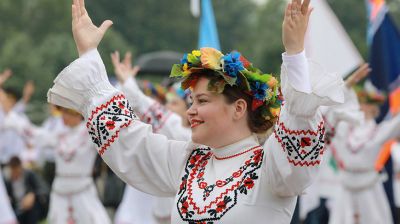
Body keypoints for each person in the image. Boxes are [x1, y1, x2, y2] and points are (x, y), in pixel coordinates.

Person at [47, 0, 346, 222]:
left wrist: (294, 55)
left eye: (202, 101)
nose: (191, 111)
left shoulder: (270, 166)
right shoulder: (189, 161)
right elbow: (132, 144)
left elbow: (298, 131)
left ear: (238, 108)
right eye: (191, 101)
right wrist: (89, 56)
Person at [328, 79, 400, 224]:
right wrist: (346, 87)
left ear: (374, 107)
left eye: (368, 104)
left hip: (369, 187)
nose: (364, 107)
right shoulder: (345, 129)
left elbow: (396, 124)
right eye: (363, 103)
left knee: (373, 218)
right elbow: (331, 118)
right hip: (346, 185)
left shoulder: (379, 131)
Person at [4, 156, 47, 224]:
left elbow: (44, 188)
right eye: (13, 171)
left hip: (30, 209)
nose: (15, 174)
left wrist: (33, 195)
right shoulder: (7, 180)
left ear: (20, 167)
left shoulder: (29, 174)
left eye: (16, 170)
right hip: (16, 209)